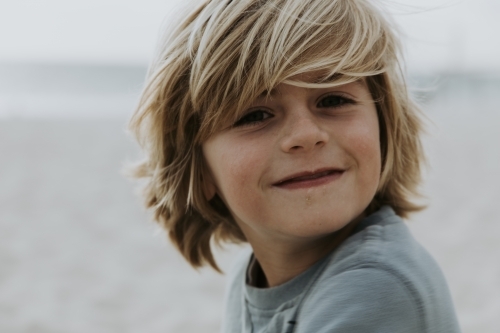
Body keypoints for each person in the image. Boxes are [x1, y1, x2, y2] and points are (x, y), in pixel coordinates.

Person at [128, 0, 461, 331]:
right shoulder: (250, 277)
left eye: (332, 100)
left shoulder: (375, 288)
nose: (306, 135)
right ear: (200, 170)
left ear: (384, 128)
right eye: (256, 115)